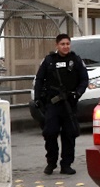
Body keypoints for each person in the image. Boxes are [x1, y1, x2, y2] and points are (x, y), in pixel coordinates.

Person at [33, 33, 89, 175]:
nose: (65, 46)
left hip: (69, 104)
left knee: (69, 134)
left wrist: (78, 93)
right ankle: (51, 163)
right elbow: (39, 80)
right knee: (50, 133)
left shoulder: (75, 60)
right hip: (53, 103)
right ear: (57, 45)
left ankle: (66, 164)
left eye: (67, 44)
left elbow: (84, 79)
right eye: (63, 44)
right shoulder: (49, 60)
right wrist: (38, 98)